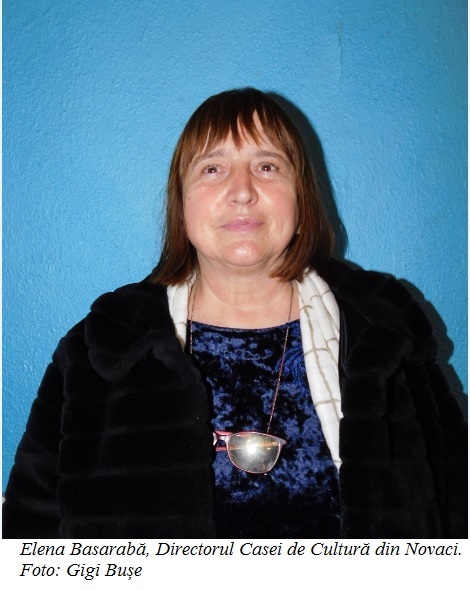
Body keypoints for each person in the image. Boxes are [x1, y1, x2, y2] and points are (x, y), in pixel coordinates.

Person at [3, 88, 467, 539]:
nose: (242, 191)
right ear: (182, 203)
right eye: (212, 168)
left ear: (301, 197)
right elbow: (28, 534)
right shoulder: (101, 348)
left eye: (267, 166)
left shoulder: (385, 336)